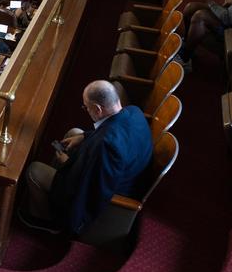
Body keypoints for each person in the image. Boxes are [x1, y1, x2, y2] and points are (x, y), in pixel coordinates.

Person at [21, 80, 152, 235]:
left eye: (86, 107)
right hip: (124, 165)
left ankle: (48, 220)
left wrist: (67, 164)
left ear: (97, 109)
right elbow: (113, 131)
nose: (85, 110)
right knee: (74, 132)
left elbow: (89, 187)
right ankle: (50, 192)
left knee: (34, 170)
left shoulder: (106, 146)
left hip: (110, 192)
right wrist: (84, 136)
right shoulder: (133, 111)